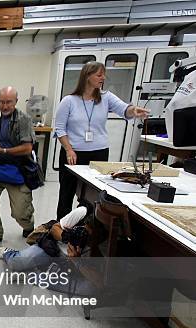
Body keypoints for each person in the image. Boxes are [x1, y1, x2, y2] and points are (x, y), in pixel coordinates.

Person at [54, 61, 149, 220]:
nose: (103, 78)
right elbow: (59, 129)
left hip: (98, 153)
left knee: (93, 193)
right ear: (87, 76)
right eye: (99, 75)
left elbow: (124, 108)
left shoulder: (106, 98)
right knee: (66, 192)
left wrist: (134, 110)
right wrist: (69, 149)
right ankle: (61, 227)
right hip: (73, 154)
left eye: (103, 75)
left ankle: (86, 226)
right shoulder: (69, 101)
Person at [0, 86, 36, 247]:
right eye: (1, 102)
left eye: (9, 102)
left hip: (18, 171)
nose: (4, 106)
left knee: (20, 213)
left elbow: (27, 148)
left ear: (16, 102)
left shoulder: (23, 120)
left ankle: (28, 225)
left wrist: (3, 150)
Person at [0, 206, 101, 271]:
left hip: (74, 262)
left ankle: (36, 271)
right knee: (16, 263)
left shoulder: (105, 243)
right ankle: (8, 253)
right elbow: (54, 229)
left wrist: (77, 261)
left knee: (87, 287)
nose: (85, 233)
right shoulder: (82, 212)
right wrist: (67, 236)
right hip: (53, 249)